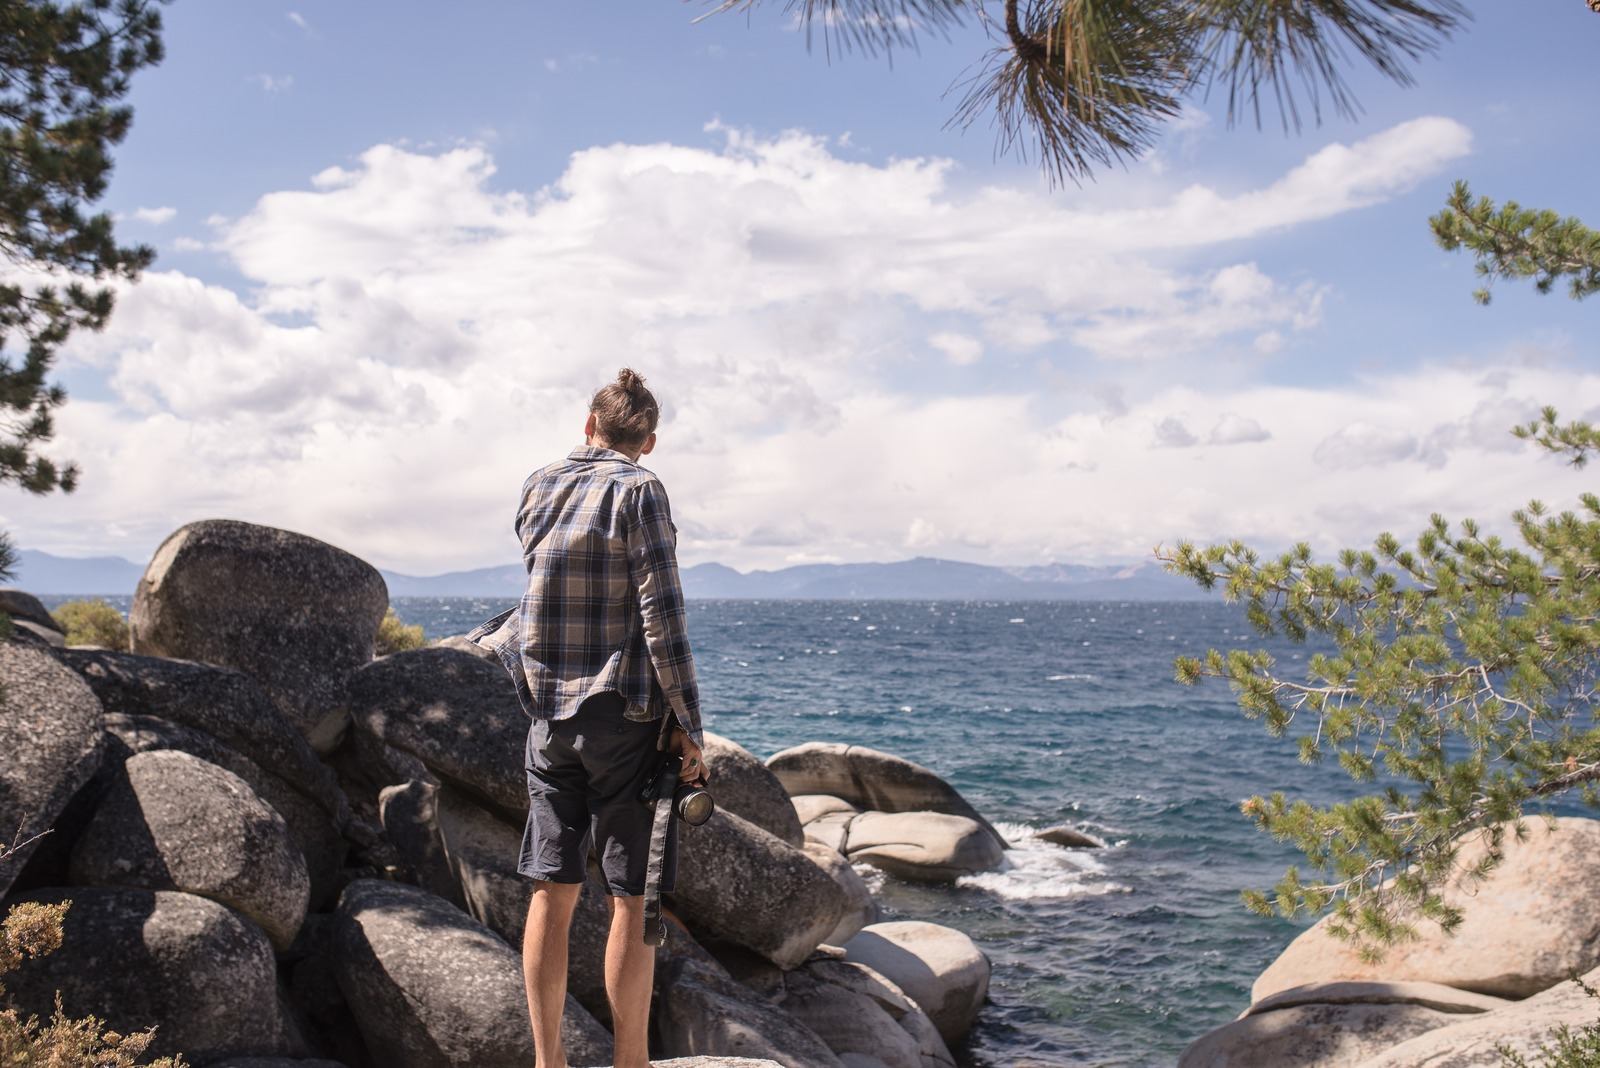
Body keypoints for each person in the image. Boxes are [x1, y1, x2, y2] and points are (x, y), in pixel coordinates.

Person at [466, 367, 707, 1068]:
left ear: (588, 424)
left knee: (552, 890)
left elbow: (540, 584)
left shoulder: (538, 483)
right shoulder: (641, 489)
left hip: (545, 712)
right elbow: (662, 614)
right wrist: (689, 724)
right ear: (650, 441)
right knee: (631, 897)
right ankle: (629, 1063)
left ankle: (549, 1063)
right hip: (622, 715)